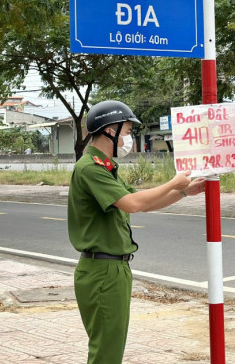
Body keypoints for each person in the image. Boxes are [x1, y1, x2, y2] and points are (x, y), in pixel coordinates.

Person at [67, 100, 205, 364]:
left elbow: (142, 203)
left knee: (111, 348)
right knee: (106, 353)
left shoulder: (106, 168)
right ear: (110, 130)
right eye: (128, 131)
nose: (129, 138)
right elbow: (133, 203)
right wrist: (173, 182)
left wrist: (184, 192)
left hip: (112, 270)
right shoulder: (90, 168)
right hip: (102, 272)